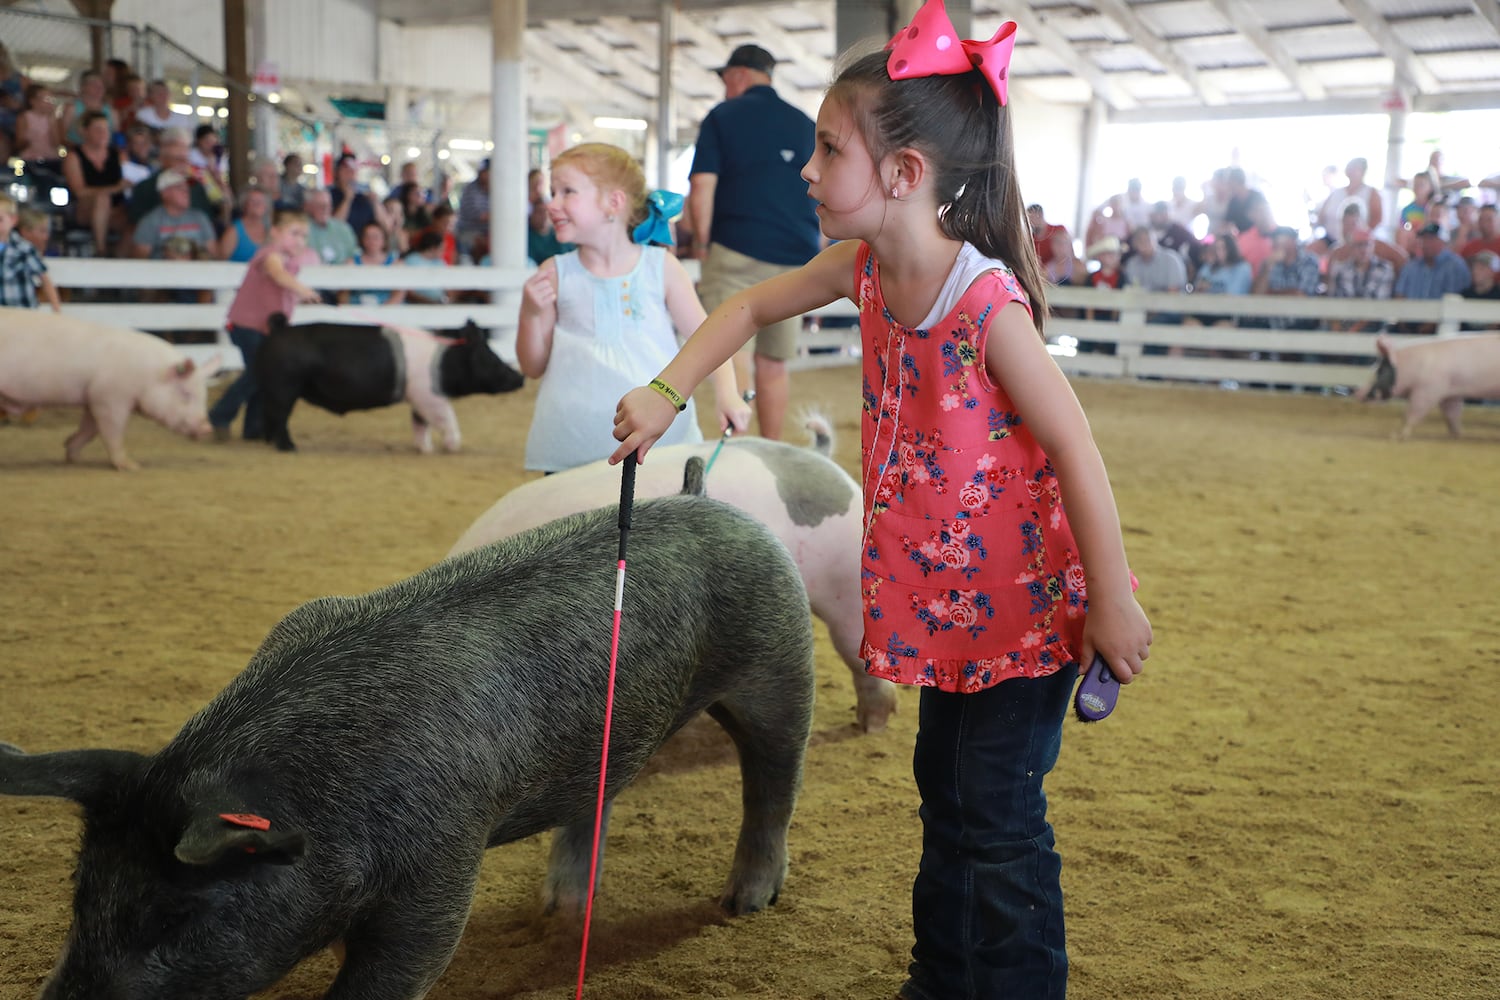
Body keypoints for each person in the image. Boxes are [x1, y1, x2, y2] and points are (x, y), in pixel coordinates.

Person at [610, 8, 1151, 998]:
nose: (807, 172)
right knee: (945, 796)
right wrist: (666, 389)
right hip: (951, 609)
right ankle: (941, 978)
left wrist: (1111, 597)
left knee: (995, 814)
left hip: (1024, 612)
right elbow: (744, 305)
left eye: (827, 148)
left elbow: (1075, 442)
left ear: (903, 174)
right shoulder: (862, 271)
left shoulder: (987, 305)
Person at [518, 142, 749, 473]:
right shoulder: (553, 273)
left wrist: (728, 393)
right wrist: (531, 313)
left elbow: (708, 339)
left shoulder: (662, 268)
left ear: (613, 202)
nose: (551, 204)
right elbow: (532, 365)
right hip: (571, 446)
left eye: (567, 191)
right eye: (552, 192)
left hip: (659, 443)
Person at [688, 42, 820, 441]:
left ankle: (740, 447)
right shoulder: (804, 123)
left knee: (734, 351)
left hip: (735, 248)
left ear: (738, 76)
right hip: (795, 258)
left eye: (726, 79)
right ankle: (773, 447)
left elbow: (701, 187)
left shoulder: (722, 117)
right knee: (775, 361)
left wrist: (701, 244)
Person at [208, 208, 323, 441]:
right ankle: (219, 417)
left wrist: (300, 295)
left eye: (303, 236)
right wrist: (303, 290)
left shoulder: (289, 262)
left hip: (265, 328)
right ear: (275, 233)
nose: (300, 240)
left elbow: (281, 288)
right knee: (260, 372)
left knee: (262, 374)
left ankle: (253, 427)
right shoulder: (270, 255)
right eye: (294, 233)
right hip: (247, 325)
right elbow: (278, 275)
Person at [60, 110, 126, 256]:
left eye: (106, 129)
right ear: (84, 131)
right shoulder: (74, 157)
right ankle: (101, 250)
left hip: (116, 211)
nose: (103, 133)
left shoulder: (119, 155)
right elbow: (80, 191)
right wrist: (115, 188)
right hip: (86, 208)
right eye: (98, 129)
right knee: (102, 199)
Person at [0, 192, 61, 312]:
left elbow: (44, 278)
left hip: (23, 312)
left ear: (13, 220)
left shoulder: (24, 249)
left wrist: (56, 308)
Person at [216, 186, 270, 262]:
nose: (257, 204)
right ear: (244, 204)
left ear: (266, 206)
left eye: (261, 201)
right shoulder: (233, 231)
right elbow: (220, 262)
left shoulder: (272, 232)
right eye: (253, 201)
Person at [456, 157, 490, 259]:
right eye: (482, 171)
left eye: (486, 171)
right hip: (469, 231)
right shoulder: (470, 190)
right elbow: (480, 216)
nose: (484, 174)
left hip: (488, 232)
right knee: (480, 245)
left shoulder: (497, 189)